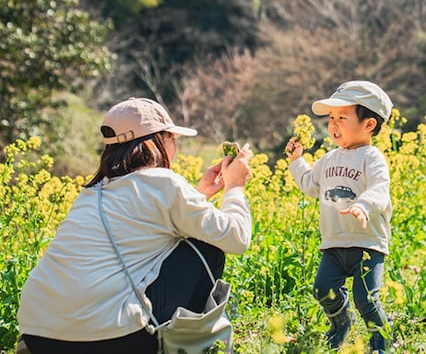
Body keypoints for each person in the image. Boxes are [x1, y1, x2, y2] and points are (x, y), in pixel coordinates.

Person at [17, 97, 252, 354]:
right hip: (108, 340)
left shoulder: (91, 193)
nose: (175, 146)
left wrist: (200, 194)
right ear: (157, 141)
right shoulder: (163, 183)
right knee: (206, 247)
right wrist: (235, 187)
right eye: (172, 138)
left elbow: (148, 225)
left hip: (37, 336)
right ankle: (179, 347)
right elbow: (237, 238)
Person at [286, 81, 393, 353]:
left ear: (369, 124)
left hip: (367, 244)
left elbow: (380, 189)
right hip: (333, 244)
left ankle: (380, 345)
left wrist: (364, 206)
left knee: (366, 299)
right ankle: (341, 323)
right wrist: (296, 161)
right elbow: (310, 184)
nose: (333, 124)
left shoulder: (372, 157)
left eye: (342, 118)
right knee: (323, 290)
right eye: (331, 118)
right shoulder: (328, 159)